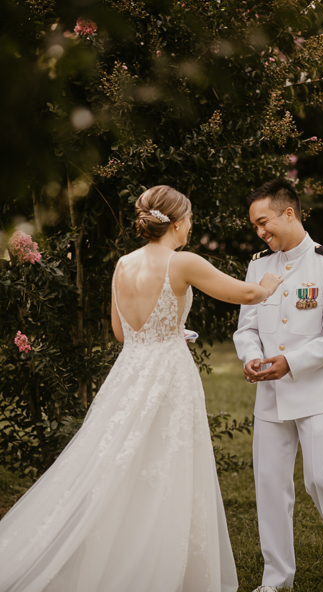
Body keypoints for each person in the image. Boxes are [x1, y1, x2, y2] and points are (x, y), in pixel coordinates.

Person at [0, 185, 284, 591]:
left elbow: (121, 332)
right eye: (189, 219)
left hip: (129, 371)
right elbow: (246, 293)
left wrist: (168, 330)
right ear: (177, 221)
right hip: (168, 375)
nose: (190, 227)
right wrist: (270, 283)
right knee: (167, 463)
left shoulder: (122, 265)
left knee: (119, 462)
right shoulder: (181, 261)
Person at [233, 180, 323, 592]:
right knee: (271, 485)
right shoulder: (258, 266)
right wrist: (250, 357)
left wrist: (290, 362)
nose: (260, 232)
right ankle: (277, 579)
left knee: (322, 478)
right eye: (256, 226)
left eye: (264, 222)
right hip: (270, 396)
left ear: (288, 213)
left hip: (318, 392)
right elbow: (246, 327)